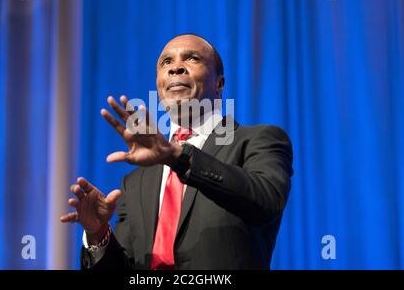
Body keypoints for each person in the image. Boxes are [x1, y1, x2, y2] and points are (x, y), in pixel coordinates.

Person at [60, 34, 293, 269]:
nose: (176, 68)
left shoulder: (257, 140)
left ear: (219, 83)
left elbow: (265, 202)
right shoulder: (135, 183)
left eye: (192, 59)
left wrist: (178, 156)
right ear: (159, 83)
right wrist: (99, 235)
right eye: (166, 62)